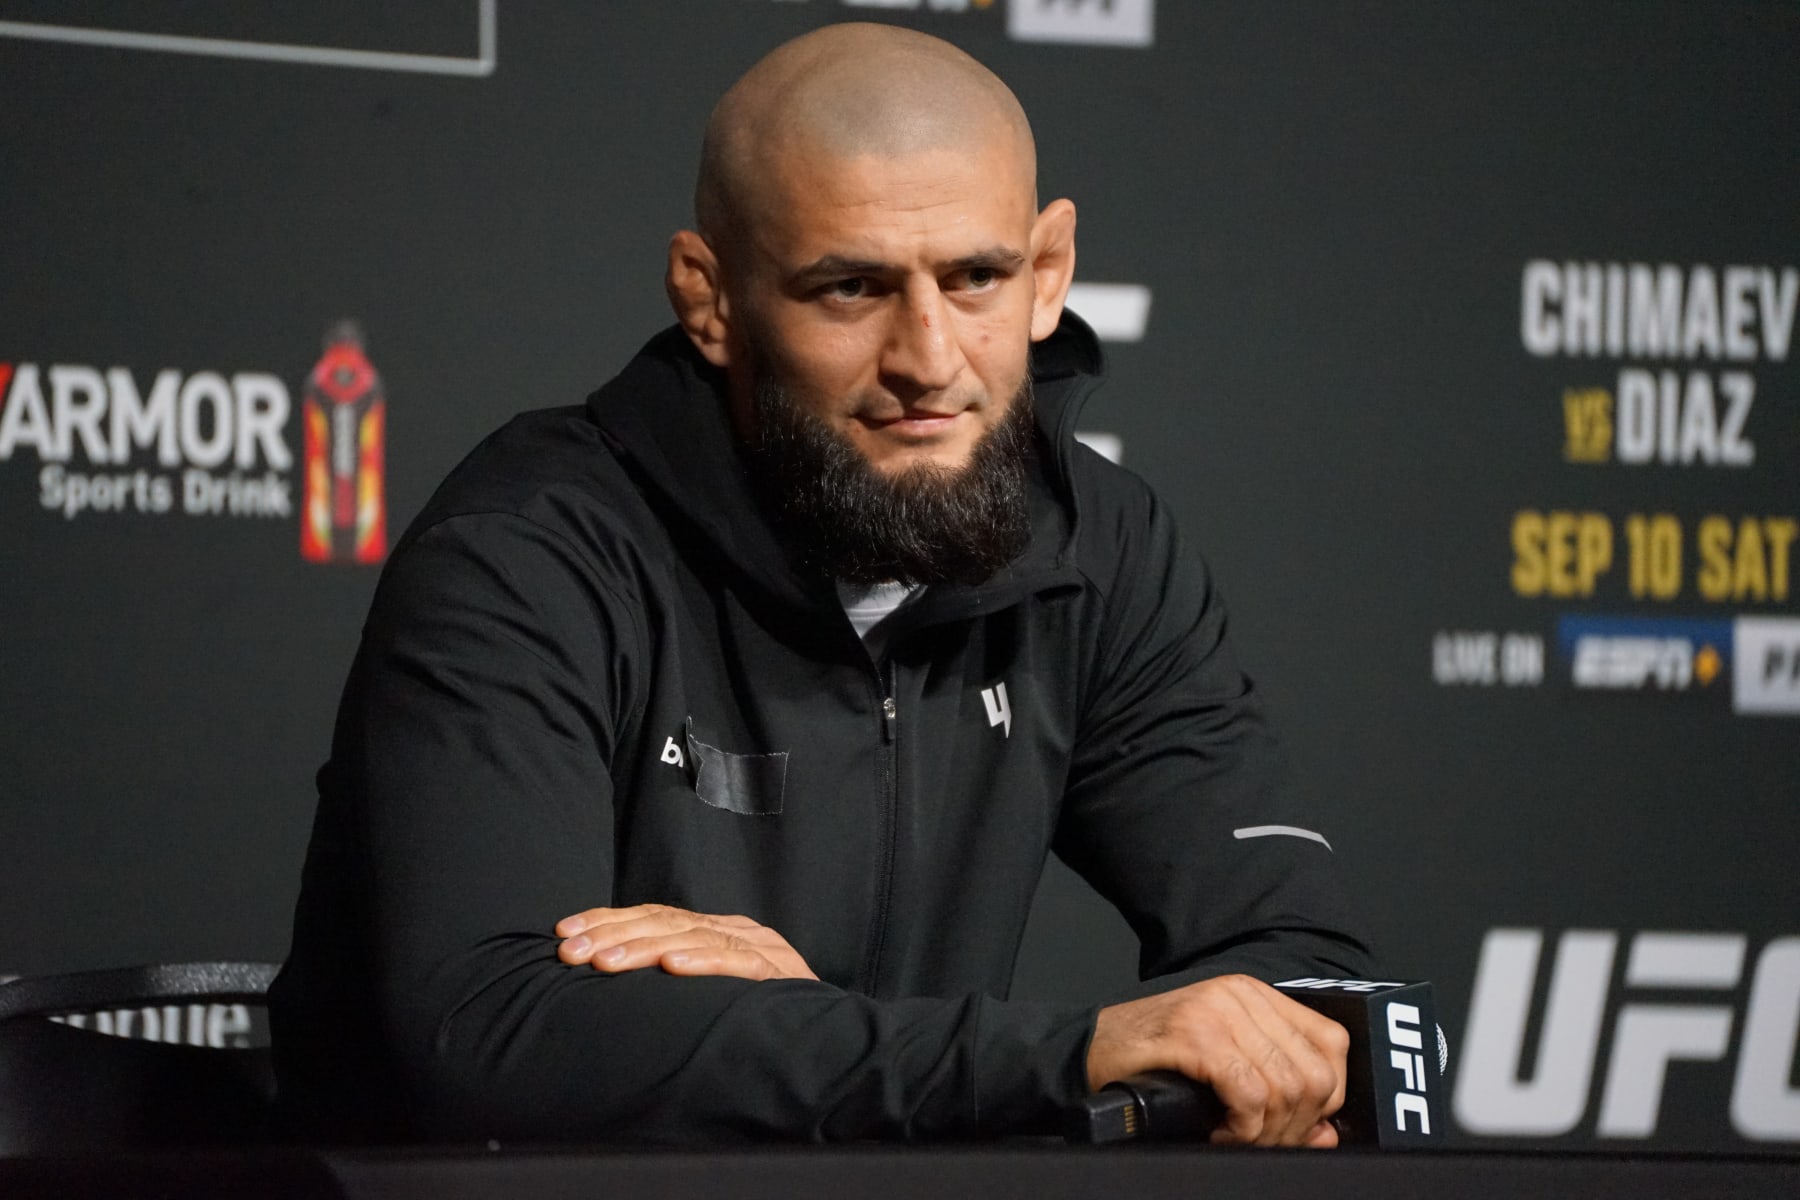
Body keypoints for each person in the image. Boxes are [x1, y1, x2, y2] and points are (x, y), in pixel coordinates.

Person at [269, 22, 1375, 1147]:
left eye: (978, 278)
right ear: (709, 297)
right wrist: (1025, 1061)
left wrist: (818, 1035)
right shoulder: (533, 549)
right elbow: (487, 1035)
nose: (930, 360)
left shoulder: (1102, 548)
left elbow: (1301, 995)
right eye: (851, 290)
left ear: (1048, 276)